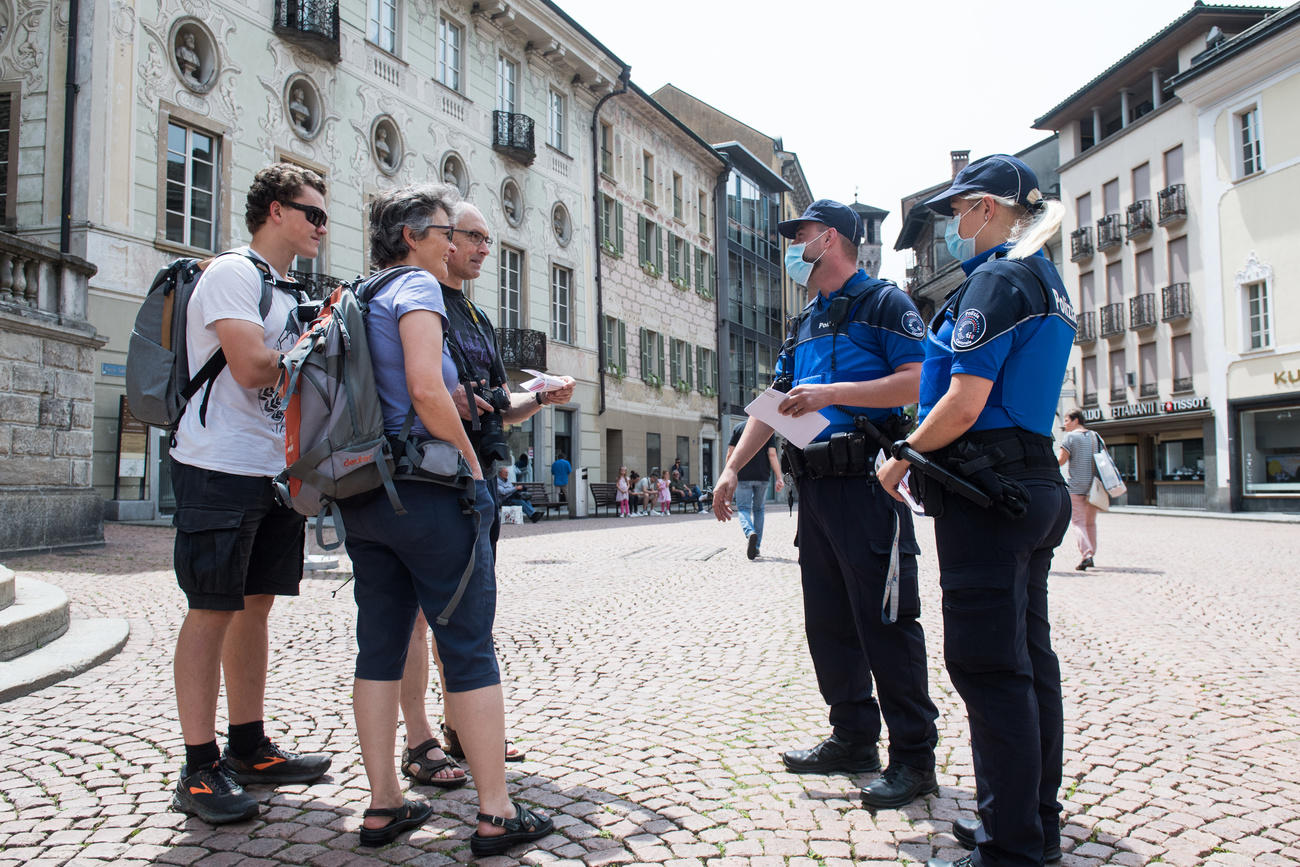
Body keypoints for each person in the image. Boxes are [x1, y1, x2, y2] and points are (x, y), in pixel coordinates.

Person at [340, 183, 553, 854]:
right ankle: (496, 812)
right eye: (442, 228)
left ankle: (383, 804)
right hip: (427, 490)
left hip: (366, 493)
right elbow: (429, 389)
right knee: (467, 644)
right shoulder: (419, 289)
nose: (452, 241)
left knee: (378, 648)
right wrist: (470, 470)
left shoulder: (360, 295)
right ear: (411, 236)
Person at [876, 155, 1074, 867]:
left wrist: (901, 452)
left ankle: (1011, 846)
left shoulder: (998, 276)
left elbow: (963, 401)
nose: (954, 226)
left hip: (988, 493)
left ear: (987, 207)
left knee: (991, 669)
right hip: (1031, 485)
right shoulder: (1045, 275)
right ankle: (1027, 820)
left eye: (958, 212)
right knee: (1027, 663)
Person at [716, 198, 940, 809]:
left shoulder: (885, 302)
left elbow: (922, 380)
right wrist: (733, 469)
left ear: (833, 240)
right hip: (814, 489)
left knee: (886, 622)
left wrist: (833, 394)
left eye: (802, 235)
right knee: (829, 623)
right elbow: (776, 402)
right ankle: (853, 738)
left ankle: (915, 758)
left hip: (869, 484)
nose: (793, 247)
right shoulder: (807, 318)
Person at [168, 163, 332, 825]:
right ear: (274, 212)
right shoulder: (233, 273)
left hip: (271, 466)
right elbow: (250, 364)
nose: (321, 225)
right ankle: (198, 765)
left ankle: (248, 744)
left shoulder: (288, 286)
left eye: (323, 214)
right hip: (217, 462)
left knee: (256, 606)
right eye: (312, 213)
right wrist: (319, 343)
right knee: (211, 607)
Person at [398, 200, 571, 776]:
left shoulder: (476, 316)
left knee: (464, 610)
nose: (480, 249)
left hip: (478, 480)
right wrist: (461, 407)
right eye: (471, 236)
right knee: (417, 617)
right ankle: (418, 739)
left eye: (486, 240)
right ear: (442, 239)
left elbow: (500, 406)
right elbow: (422, 391)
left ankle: (461, 725)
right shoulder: (419, 301)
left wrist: (541, 398)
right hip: (429, 474)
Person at [726, 420, 784, 559]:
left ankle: (749, 532)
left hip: (743, 475)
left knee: (744, 509)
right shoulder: (767, 429)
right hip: (762, 476)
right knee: (759, 510)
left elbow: (730, 453)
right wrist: (778, 477)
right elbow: (772, 454)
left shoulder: (739, 428)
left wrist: (728, 474)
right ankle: (756, 547)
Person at [1058, 409, 1099, 571]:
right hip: (1094, 486)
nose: (1065, 424)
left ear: (1076, 420)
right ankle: (1092, 553)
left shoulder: (1070, 437)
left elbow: (1061, 460)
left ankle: (1087, 554)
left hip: (1076, 486)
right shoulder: (1095, 436)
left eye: (1067, 420)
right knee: (1090, 523)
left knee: (1078, 522)